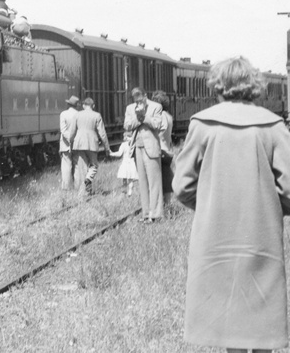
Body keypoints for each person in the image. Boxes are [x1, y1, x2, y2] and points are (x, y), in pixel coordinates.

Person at [173, 56, 290, 352]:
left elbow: (182, 185)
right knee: (261, 317)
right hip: (261, 236)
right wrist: (271, 207)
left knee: (228, 322)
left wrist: (210, 204)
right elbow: (289, 188)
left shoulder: (202, 124)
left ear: (217, 85)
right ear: (255, 87)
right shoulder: (274, 126)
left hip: (215, 238)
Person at [123, 87, 163, 222]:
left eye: (140, 100)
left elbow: (157, 125)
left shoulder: (156, 107)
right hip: (137, 147)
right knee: (143, 183)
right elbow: (127, 125)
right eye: (136, 101)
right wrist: (138, 118)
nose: (138, 103)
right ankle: (146, 214)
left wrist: (144, 117)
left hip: (151, 147)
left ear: (146, 96)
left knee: (154, 182)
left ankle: (156, 214)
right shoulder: (130, 108)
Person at [68, 97, 111, 196]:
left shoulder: (77, 115)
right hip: (92, 143)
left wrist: (70, 143)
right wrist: (107, 147)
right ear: (93, 106)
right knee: (94, 166)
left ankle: (82, 193)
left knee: (81, 168)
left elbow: (72, 132)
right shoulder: (97, 115)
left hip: (79, 143)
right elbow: (102, 133)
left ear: (83, 105)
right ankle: (88, 181)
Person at [151, 90, 174, 209]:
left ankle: (160, 208)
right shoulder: (169, 116)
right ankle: (167, 207)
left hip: (160, 151)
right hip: (167, 150)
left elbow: (160, 130)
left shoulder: (161, 116)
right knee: (165, 181)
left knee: (158, 182)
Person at [59, 96, 81, 190]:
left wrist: (69, 139)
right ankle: (78, 186)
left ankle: (66, 188)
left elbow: (63, 130)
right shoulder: (79, 115)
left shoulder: (63, 114)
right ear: (76, 105)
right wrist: (74, 139)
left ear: (68, 104)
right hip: (77, 144)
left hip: (65, 144)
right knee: (77, 166)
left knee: (66, 166)